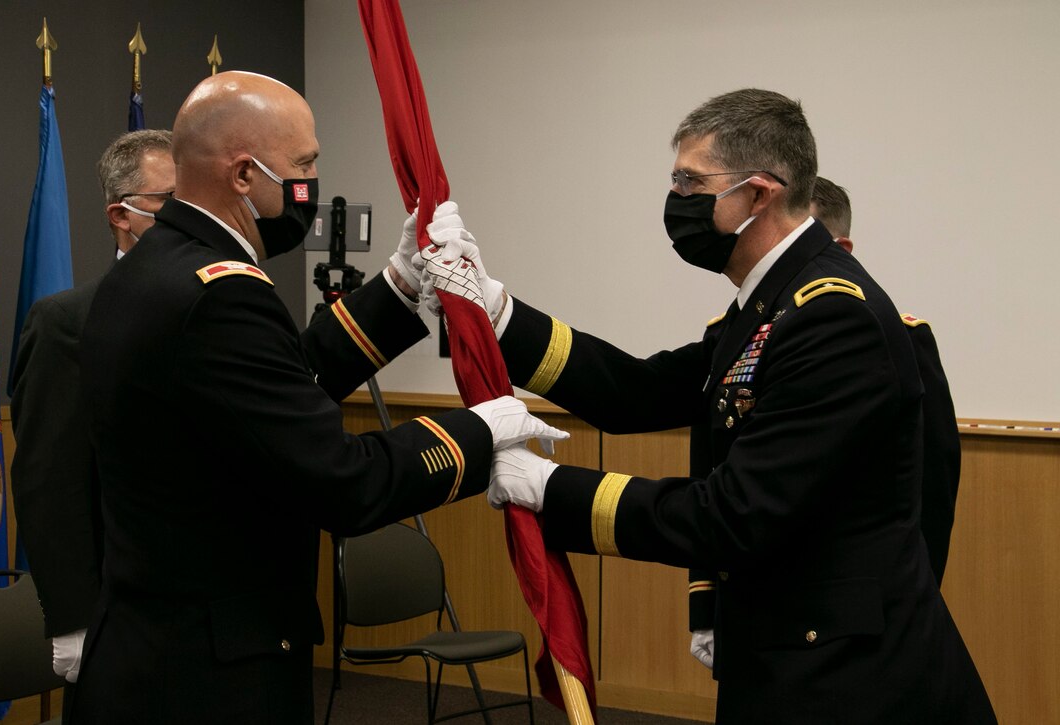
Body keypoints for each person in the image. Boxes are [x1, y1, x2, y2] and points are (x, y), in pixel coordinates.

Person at [421, 89, 995, 723]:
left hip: (849, 678)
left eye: (691, 182)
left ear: (758, 194)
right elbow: (632, 391)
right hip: (789, 649)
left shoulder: (830, 316)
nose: (677, 200)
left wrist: (553, 489)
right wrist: (495, 311)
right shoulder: (768, 306)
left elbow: (735, 514)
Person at [70, 71, 564, 724]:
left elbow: (275, 389)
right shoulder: (222, 293)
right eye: (303, 165)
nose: (310, 184)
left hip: (151, 650)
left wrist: (397, 285)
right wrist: (476, 431)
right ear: (243, 175)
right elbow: (342, 481)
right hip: (210, 676)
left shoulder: (152, 272)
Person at [10, 129, 175, 718]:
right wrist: (73, 620)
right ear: (122, 216)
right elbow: (49, 478)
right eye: (170, 205)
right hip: (117, 614)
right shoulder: (67, 322)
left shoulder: (223, 305)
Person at [809, 176, 961, 585]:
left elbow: (933, 485)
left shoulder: (903, 340)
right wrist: (704, 602)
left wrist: (917, 594)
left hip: (860, 589)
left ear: (840, 251)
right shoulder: (740, 338)